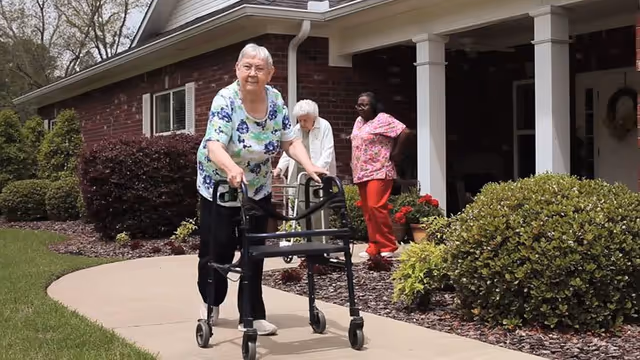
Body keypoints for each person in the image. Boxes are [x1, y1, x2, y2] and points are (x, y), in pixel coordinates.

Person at [195, 43, 328, 336]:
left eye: (259, 68)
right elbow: (214, 144)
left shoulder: (276, 100)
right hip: (220, 182)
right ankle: (211, 302)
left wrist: (309, 165)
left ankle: (252, 315)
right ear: (237, 70)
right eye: (247, 67)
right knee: (217, 248)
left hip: (256, 186)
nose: (252, 73)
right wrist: (231, 169)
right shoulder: (225, 99)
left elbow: (290, 141)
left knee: (254, 250)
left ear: (270, 73)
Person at [349, 92, 410, 259]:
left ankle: (388, 245)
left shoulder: (383, 119)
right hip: (361, 172)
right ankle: (373, 246)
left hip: (379, 170)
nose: (360, 108)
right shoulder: (359, 122)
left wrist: (397, 153)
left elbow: (404, 132)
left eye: (364, 105)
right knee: (368, 210)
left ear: (374, 106)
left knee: (377, 207)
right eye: (358, 105)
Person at [274, 99, 336, 241]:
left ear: (314, 117)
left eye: (305, 120)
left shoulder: (325, 126)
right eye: (300, 120)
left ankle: (321, 242)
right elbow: (288, 150)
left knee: (319, 209)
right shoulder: (296, 129)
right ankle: (306, 241)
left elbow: (328, 151)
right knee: (301, 208)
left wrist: (317, 168)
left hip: (319, 175)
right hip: (300, 176)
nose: (302, 124)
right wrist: (280, 168)